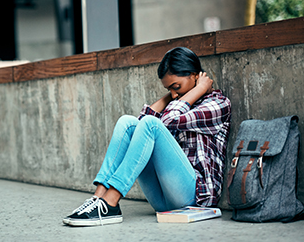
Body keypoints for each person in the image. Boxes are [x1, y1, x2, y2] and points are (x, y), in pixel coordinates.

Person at [63, 47, 231, 227]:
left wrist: (199, 90)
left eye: (176, 87)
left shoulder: (217, 104)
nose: (174, 95)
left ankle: (110, 202)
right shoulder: (177, 103)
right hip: (163, 200)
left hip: (196, 199)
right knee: (127, 123)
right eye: (169, 90)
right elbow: (139, 126)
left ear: (195, 76)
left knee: (152, 124)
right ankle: (99, 198)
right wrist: (173, 95)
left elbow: (167, 119)